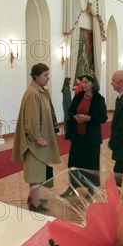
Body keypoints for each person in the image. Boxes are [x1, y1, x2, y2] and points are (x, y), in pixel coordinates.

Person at [12, 63, 61, 213]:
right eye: (45, 75)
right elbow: (31, 120)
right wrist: (37, 137)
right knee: (35, 172)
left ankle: (32, 196)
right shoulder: (33, 93)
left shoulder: (38, 91)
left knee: (37, 172)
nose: (48, 78)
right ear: (36, 76)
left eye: (48, 74)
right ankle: (36, 203)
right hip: (34, 143)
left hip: (40, 140)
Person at [65, 73, 107, 190]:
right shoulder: (78, 96)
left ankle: (91, 187)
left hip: (91, 137)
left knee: (90, 163)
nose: (83, 84)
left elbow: (103, 117)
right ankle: (72, 186)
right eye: (82, 82)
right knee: (74, 161)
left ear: (93, 84)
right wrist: (74, 117)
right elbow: (70, 111)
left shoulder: (99, 99)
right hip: (77, 136)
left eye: (86, 82)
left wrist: (90, 118)